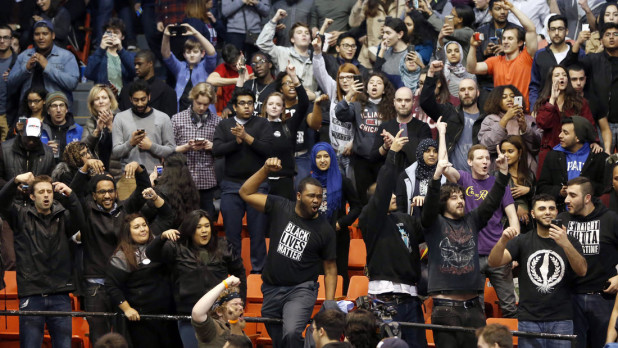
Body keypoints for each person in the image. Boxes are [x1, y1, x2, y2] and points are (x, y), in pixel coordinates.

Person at [239, 158, 337, 348]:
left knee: (291, 332)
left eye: (319, 196)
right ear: (299, 196)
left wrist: (330, 302)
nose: (316, 200)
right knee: (280, 339)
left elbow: (330, 268)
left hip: (301, 290)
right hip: (271, 288)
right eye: (311, 196)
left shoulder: (325, 229)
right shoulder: (280, 207)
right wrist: (265, 169)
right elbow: (245, 192)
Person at [423, 145, 511, 347]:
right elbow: (429, 206)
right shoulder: (433, 223)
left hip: (473, 308)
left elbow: (491, 201)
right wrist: (436, 178)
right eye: (454, 198)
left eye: (462, 197)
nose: (460, 201)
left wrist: (504, 173)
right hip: (445, 308)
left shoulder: (472, 220)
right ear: (444, 202)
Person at [359, 129, 430, 348]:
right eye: (387, 194)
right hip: (384, 298)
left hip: (411, 297)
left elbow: (428, 227)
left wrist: (430, 196)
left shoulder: (404, 219)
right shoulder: (370, 219)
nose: (393, 196)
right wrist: (392, 155)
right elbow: (382, 191)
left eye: (393, 194)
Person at [488, 194, 587, 348]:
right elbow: (493, 262)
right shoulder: (523, 241)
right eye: (542, 208)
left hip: (562, 318)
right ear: (533, 214)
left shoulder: (570, 240)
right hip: (529, 319)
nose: (547, 212)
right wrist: (502, 241)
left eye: (551, 208)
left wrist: (565, 244)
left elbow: (582, 271)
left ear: (556, 212)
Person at [69, 159, 152, 343]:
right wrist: (84, 168)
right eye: (102, 192)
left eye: (110, 191)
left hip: (123, 283)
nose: (107, 195)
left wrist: (139, 168)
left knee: (125, 338)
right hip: (96, 286)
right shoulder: (87, 211)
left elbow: (143, 190)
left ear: (116, 192)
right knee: (100, 338)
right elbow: (72, 193)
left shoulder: (125, 209)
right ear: (94, 195)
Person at [0, 172, 85, 348]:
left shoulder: (63, 216)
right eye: (41, 192)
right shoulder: (20, 216)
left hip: (60, 293)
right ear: (32, 196)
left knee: (64, 345)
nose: (46, 195)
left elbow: (80, 220)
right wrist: (15, 180)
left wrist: (71, 194)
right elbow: (2, 202)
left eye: (49, 191)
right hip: (32, 293)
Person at [147, 209, 246, 348]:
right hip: (188, 316)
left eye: (207, 226)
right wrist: (162, 237)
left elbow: (240, 272)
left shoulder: (223, 245)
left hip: (219, 316)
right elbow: (151, 254)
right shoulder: (176, 247)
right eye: (198, 227)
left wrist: (241, 302)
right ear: (190, 230)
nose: (204, 231)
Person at [443, 143, 520, 318]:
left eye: (487, 158)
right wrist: (441, 134)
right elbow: (445, 167)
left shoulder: (499, 184)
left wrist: (513, 250)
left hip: (498, 254)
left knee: (509, 308)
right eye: (480, 158)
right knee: (475, 310)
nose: (485, 162)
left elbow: (513, 219)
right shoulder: (463, 179)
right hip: (470, 254)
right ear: (470, 162)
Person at [105, 197, 181, 348]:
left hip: (168, 315)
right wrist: (127, 309)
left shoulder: (158, 245)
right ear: (128, 232)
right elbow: (111, 286)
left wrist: (155, 197)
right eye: (137, 227)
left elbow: (167, 215)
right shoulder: (121, 256)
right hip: (142, 319)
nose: (143, 229)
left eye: (144, 225)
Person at [212, 89, 273, 274]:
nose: (247, 106)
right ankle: (235, 271)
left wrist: (246, 137)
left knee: (257, 232)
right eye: (242, 103)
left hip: (257, 185)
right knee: (231, 233)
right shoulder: (225, 125)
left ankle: (258, 271)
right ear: (234, 106)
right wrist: (236, 142)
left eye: (250, 103)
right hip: (231, 184)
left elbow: (268, 149)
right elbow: (216, 150)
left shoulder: (262, 123)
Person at [557, 177, 618, 348]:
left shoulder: (610, 219)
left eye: (572, 195)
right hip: (570, 298)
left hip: (604, 298)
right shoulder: (561, 219)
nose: (566, 199)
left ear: (587, 198)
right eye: (566, 194)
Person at [334, 68, 397, 203]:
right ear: (366, 88)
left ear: (385, 89)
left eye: (379, 83)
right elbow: (340, 113)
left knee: (383, 197)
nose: (374, 85)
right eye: (371, 82)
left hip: (383, 160)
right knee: (363, 198)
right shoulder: (357, 106)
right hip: (361, 161)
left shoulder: (392, 108)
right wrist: (350, 94)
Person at [311, 142, 362, 292]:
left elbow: (357, 207)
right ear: (313, 159)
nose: (322, 160)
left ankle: (339, 307)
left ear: (332, 158)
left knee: (339, 272)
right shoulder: (308, 183)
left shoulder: (343, 181)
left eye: (326, 156)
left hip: (337, 236)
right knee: (315, 273)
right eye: (318, 157)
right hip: (314, 236)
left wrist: (341, 223)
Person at [533, 65, 601, 175]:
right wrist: (552, 100)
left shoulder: (580, 102)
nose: (562, 77)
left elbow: (589, 124)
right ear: (551, 80)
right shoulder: (544, 102)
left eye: (564, 75)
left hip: (573, 151)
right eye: (557, 75)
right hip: (550, 151)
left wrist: (594, 141)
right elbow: (543, 123)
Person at [562, 23, 618, 154]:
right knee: (604, 163)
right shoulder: (593, 59)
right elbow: (568, 67)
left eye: (615, 34)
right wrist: (578, 43)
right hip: (601, 122)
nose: (611, 38)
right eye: (607, 35)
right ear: (601, 40)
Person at [467, 0, 537, 103]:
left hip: (523, 112)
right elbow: (471, 68)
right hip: (500, 113)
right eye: (504, 38)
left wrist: (512, 8)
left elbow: (531, 29)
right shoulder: (495, 61)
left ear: (520, 43)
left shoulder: (526, 57)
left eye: (510, 38)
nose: (505, 42)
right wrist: (473, 47)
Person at [420, 61, 485, 171]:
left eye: (470, 89)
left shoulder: (486, 118)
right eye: (462, 90)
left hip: (478, 177)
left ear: (478, 93)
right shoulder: (449, 113)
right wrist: (431, 73)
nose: (466, 93)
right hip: (451, 176)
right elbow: (426, 102)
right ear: (458, 94)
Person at [260, 67, 311, 199]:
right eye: (271, 104)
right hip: (262, 182)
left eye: (278, 104)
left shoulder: (288, 125)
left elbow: (304, 104)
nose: (274, 106)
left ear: (283, 108)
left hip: (285, 182)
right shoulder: (257, 126)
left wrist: (294, 78)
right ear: (265, 106)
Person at [171, 82, 220, 219]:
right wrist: (186, 147)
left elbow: (223, 151)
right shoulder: (177, 119)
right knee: (183, 220)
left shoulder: (217, 121)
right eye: (199, 103)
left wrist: (212, 146)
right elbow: (168, 149)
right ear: (192, 98)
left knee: (207, 220)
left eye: (206, 104)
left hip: (207, 180)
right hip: (183, 179)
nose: (202, 107)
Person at [538, 117, 609, 207]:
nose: (560, 135)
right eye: (561, 131)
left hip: (591, 213)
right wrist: (559, 192)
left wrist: (585, 189)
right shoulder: (552, 156)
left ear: (578, 138)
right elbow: (542, 187)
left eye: (565, 133)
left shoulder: (599, 157)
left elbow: (606, 188)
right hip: (561, 212)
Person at [7, 20, 79, 108]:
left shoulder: (66, 56)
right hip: (28, 110)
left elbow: (72, 84)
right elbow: (10, 83)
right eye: (37, 34)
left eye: (45, 34)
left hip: (55, 111)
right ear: (33, 37)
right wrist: (26, 68)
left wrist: (47, 67)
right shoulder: (24, 56)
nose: (41, 37)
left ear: (53, 36)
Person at [112, 80, 176, 170]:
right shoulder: (120, 118)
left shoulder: (163, 118)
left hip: (155, 176)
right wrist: (131, 143)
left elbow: (171, 150)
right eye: (136, 100)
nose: (140, 104)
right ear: (130, 99)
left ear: (149, 97)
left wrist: (151, 146)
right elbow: (116, 152)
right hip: (129, 176)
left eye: (143, 99)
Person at [478, 85, 541, 173]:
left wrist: (524, 128)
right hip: (499, 170)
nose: (509, 99)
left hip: (526, 170)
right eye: (504, 97)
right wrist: (505, 119)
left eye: (512, 96)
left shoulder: (529, 119)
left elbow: (536, 147)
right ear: (496, 100)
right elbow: (486, 146)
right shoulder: (490, 119)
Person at [258, 10, 318, 97]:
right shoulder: (282, 53)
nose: (304, 35)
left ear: (310, 40)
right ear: (292, 39)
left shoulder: (317, 58)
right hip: (285, 102)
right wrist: (274, 20)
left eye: (307, 33)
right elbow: (262, 43)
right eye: (299, 33)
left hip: (309, 104)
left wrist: (315, 96)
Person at [371, 87, 432, 172]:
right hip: (389, 178)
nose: (403, 104)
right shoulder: (385, 126)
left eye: (407, 100)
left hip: (414, 178)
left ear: (413, 102)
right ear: (394, 102)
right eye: (399, 100)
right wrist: (385, 147)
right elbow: (372, 158)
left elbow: (426, 158)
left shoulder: (423, 127)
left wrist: (398, 144)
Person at [528, 15, 583, 108]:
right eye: (553, 29)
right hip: (544, 109)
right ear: (548, 32)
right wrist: (534, 107)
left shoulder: (579, 54)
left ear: (567, 31)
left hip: (572, 108)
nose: (556, 33)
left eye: (560, 29)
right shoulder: (540, 55)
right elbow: (534, 85)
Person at [396, 119, 448, 216]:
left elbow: (448, 203)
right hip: (413, 225)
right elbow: (400, 206)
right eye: (427, 151)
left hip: (439, 225)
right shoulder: (406, 175)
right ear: (420, 153)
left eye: (435, 151)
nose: (432, 154)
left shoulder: (444, 175)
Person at [162, 23, 217, 114]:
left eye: (195, 52)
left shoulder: (206, 66)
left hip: (204, 112)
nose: (191, 55)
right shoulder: (180, 67)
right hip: (181, 112)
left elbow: (211, 52)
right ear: (184, 54)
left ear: (202, 54)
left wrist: (195, 33)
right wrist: (166, 35)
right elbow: (166, 55)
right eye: (188, 52)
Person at [473, 0, 523, 90]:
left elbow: (526, 56)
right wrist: (485, 53)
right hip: (487, 84)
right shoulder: (481, 31)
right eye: (498, 9)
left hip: (514, 81)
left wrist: (509, 49)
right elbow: (474, 63)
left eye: (505, 9)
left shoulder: (518, 30)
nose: (502, 12)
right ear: (490, 12)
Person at [190, 275, 251, 347]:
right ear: (219, 312)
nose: (241, 307)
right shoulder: (212, 329)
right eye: (235, 304)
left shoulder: (241, 334)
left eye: (241, 304)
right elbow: (197, 313)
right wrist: (225, 283)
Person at [118, 50, 178, 118]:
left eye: (139, 64)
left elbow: (169, 122)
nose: (136, 67)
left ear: (150, 63)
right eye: (135, 64)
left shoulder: (167, 92)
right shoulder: (126, 90)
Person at [348, 0, 406, 68]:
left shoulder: (400, 3)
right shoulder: (368, 3)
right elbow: (353, 23)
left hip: (393, 53)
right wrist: (360, 2)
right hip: (369, 54)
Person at [0, 117, 55, 189]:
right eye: (28, 137)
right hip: (10, 198)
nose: (31, 142)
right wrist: (13, 185)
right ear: (21, 132)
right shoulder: (4, 149)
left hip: (36, 198)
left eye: (35, 138)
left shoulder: (48, 154)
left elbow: (51, 181)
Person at [84, 18, 136, 92]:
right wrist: (101, 49)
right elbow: (88, 74)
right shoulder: (98, 55)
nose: (112, 36)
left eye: (116, 33)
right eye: (109, 33)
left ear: (122, 36)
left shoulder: (130, 56)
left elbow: (134, 72)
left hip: (124, 99)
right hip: (103, 99)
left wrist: (121, 50)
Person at [498, 136, 536, 229]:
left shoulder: (529, 175)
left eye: (510, 151)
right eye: (503, 152)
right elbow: (493, 200)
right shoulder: (496, 175)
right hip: (504, 224)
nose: (506, 155)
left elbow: (539, 198)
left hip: (528, 225)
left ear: (519, 152)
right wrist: (515, 208)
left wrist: (529, 190)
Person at [224, 52, 276, 117]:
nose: (258, 66)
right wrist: (227, 109)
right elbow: (234, 100)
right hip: (247, 123)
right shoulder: (249, 84)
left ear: (270, 64)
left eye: (261, 61)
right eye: (254, 64)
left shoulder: (277, 87)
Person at [82, 84, 118, 176]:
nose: (101, 101)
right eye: (97, 99)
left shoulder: (120, 118)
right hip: (96, 173)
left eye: (104, 98)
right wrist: (97, 131)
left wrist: (110, 126)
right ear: (93, 104)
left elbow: (126, 146)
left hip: (118, 172)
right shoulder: (90, 123)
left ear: (110, 101)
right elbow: (82, 149)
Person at [207, 44, 253, 113]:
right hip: (230, 109)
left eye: (239, 61)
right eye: (234, 66)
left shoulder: (251, 69)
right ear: (227, 64)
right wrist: (237, 80)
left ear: (241, 54)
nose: (238, 66)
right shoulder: (224, 68)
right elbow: (210, 80)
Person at [40, 91, 83, 160]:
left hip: (72, 169)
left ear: (66, 109)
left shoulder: (78, 130)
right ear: (48, 110)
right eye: (54, 106)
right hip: (48, 168)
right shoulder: (40, 130)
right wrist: (46, 151)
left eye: (62, 105)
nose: (58, 110)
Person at [374, 17, 412, 88]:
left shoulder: (410, 55)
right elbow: (376, 76)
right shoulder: (385, 53)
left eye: (388, 33)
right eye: (384, 33)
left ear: (400, 34)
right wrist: (382, 51)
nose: (384, 36)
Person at [0, 25, 15, 142]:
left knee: (5, 155)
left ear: (12, 40)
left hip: (7, 114)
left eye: (5, 37)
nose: (2, 41)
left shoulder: (18, 62)